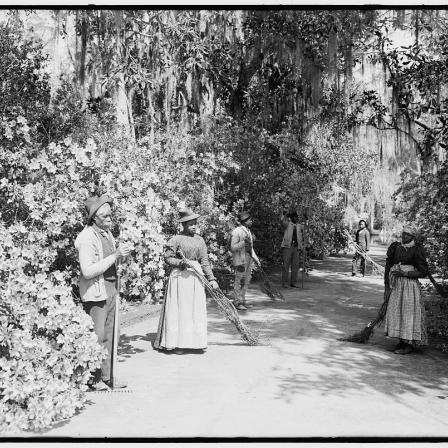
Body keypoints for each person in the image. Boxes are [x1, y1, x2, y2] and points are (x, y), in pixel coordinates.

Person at [75, 194, 130, 391]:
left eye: (110, 216)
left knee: (110, 335)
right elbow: (88, 271)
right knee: (96, 337)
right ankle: (92, 378)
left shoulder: (107, 234)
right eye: (105, 217)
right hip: (95, 293)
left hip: (111, 290)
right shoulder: (86, 238)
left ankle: (108, 377)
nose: (109, 220)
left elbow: (113, 262)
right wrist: (115, 255)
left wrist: (121, 256)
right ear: (94, 218)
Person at [153, 208, 219, 354]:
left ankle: (195, 342)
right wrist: (180, 263)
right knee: (181, 309)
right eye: (191, 224)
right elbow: (168, 257)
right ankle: (178, 343)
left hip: (196, 277)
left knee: (194, 308)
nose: (194, 226)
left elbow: (205, 261)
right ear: (184, 225)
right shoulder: (176, 239)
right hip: (180, 278)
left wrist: (212, 279)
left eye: (195, 223)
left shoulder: (199, 240)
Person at [384, 225, 429, 355]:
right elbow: (388, 265)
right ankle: (401, 341)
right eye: (403, 233)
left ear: (413, 237)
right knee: (398, 311)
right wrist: (386, 284)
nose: (404, 236)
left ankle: (408, 344)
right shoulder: (396, 247)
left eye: (407, 235)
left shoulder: (416, 250)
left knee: (408, 313)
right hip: (397, 285)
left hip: (409, 286)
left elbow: (423, 272)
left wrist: (404, 274)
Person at [230, 211, 259, 311]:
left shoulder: (248, 231)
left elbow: (250, 247)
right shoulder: (236, 231)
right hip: (240, 260)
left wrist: (256, 259)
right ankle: (237, 302)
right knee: (239, 281)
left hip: (248, 259)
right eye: (249, 220)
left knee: (246, 280)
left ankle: (242, 299)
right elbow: (233, 247)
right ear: (244, 221)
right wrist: (243, 242)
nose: (251, 221)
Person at [281, 210, 306, 288]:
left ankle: (293, 282)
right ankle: (285, 283)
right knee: (286, 265)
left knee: (295, 266)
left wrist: (306, 219)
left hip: (296, 247)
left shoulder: (299, 225)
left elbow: (305, 228)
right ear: (291, 218)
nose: (296, 218)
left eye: (297, 217)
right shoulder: (287, 224)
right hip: (287, 247)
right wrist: (284, 215)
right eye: (295, 217)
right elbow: (282, 221)